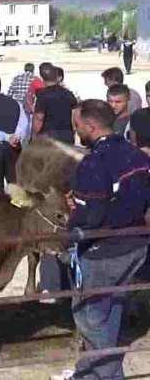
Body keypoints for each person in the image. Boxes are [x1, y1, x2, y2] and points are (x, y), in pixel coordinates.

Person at [56, 100, 150, 380]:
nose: (76, 130)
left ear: (91, 126)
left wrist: (72, 217)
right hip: (136, 245)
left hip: (103, 250)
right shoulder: (138, 156)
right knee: (111, 310)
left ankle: (107, 376)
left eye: (78, 125)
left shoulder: (93, 162)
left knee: (91, 319)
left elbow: (91, 214)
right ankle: (89, 373)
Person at [34, 66, 78, 145]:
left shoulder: (43, 95)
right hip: (66, 134)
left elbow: (39, 117)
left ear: (42, 78)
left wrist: (36, 134)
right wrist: (73, 132)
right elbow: (74, 115)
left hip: (48, 135)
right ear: (57, 77)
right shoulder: (68, 94)